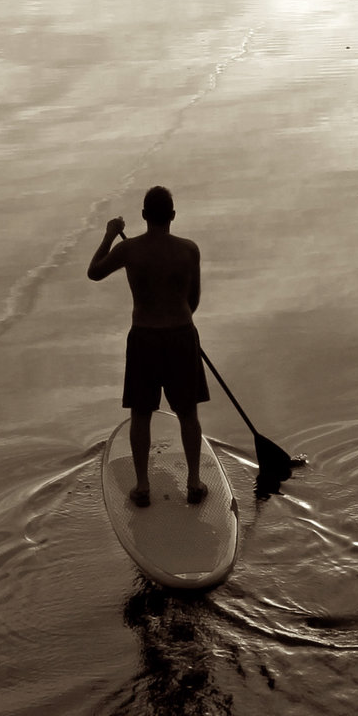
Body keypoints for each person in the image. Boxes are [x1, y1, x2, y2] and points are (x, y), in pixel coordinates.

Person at [87, 185, 208, 505]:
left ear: (143, 215)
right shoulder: (189, 250)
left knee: (141, 414)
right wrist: (179, 322)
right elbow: (193, 300)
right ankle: (194, 483)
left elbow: (94, 272)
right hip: (182, 334)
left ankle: (142, 487)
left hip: (145, 337)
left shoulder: (129, 250)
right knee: (188, 412)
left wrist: (110, 234)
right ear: (172, 216)